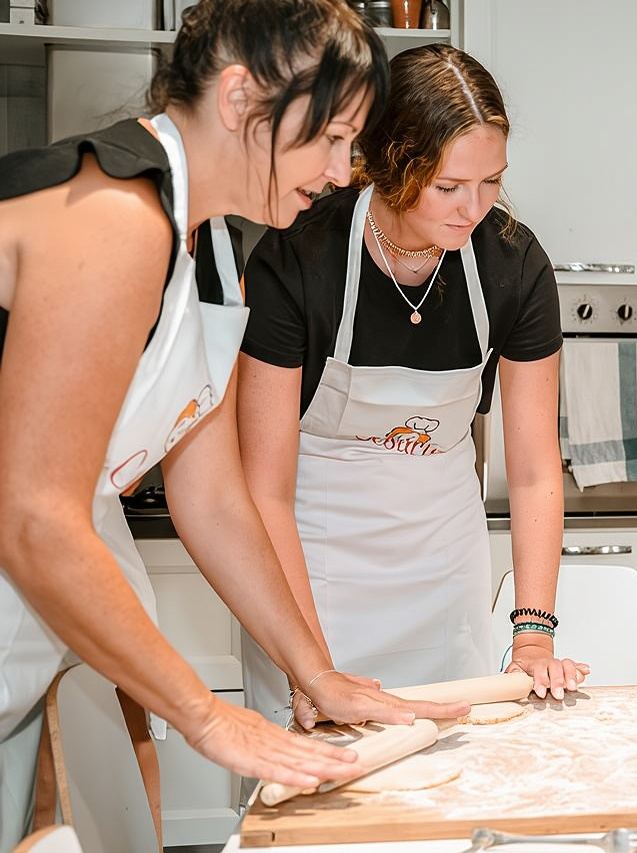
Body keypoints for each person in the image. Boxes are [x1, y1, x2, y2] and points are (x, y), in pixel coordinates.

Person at [0, 2, 468, 845]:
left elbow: (212, 498)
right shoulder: (115, 217)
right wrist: (207, 717)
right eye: (329, 138)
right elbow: (35, 513)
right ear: (240, 96)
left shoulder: (214, 255)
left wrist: (315, 672)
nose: (342, 171)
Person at [236, 43, 585, 727]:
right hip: (312, 573)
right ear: (395, 162)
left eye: (492, 182)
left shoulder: (514, 267)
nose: (475, 209)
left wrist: (533, 632)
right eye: (450, 187)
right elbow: (264, 489)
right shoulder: (298, 261)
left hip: (442, 569)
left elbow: (537, 470)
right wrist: (312, 666)